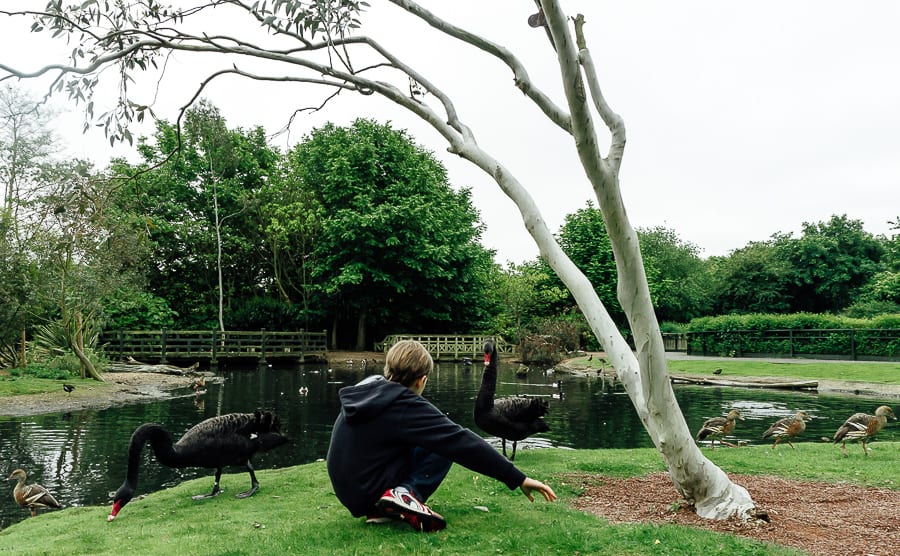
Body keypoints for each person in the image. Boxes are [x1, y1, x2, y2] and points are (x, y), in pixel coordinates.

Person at [326, 339, 556, 532]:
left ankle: (382, 506)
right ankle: (404, 495)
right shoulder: (403, 404)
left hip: (348, 491)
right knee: (446, 444)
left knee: (435, 437)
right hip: (368, 489)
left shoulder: (368, 388)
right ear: (421, 380)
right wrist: (517, 478)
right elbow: (460, 441)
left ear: (388, 369)